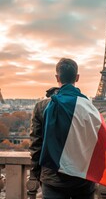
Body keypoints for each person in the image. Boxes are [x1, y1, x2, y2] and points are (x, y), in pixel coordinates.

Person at [29, 58, 95, 199]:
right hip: (82, 179)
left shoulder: (41, 107)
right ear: (77, 77)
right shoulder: (88, 107)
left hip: (52, 179)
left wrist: (39, 175)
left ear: (57, 77)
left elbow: (36, 146)